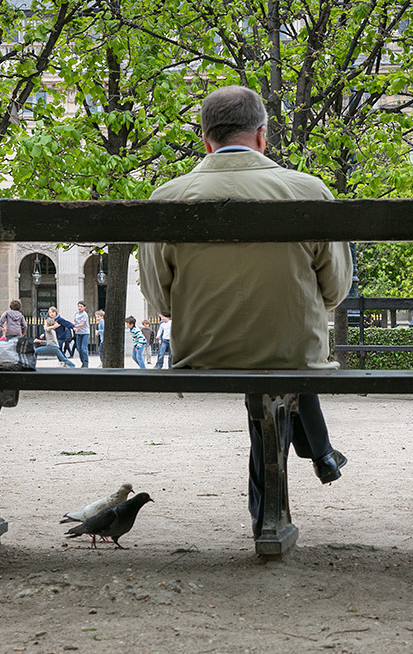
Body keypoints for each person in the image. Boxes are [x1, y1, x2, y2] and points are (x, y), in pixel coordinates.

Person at [139, 85, 353, 538]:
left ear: (206, 140)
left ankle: (273, 509)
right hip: (292, 351)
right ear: (262, 136)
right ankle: (285, 497)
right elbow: (335, 290)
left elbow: (160, 301)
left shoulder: (166, 198)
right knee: (280, 358)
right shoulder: (309, 191)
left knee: (267, 370)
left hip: (204, 353)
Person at [72, 300, 90, 368]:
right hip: (78, 332)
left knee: (83, 348)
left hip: (85, 333)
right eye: (78, 306)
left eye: (81, 306)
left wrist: (74, 326)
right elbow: (74, 321)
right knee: (79, 348)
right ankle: (82, 361)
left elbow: (82, 324)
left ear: (84, 307)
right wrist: (74, 324)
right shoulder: (76, 313)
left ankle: (86, 362)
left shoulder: (84, 314)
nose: (79, 308)